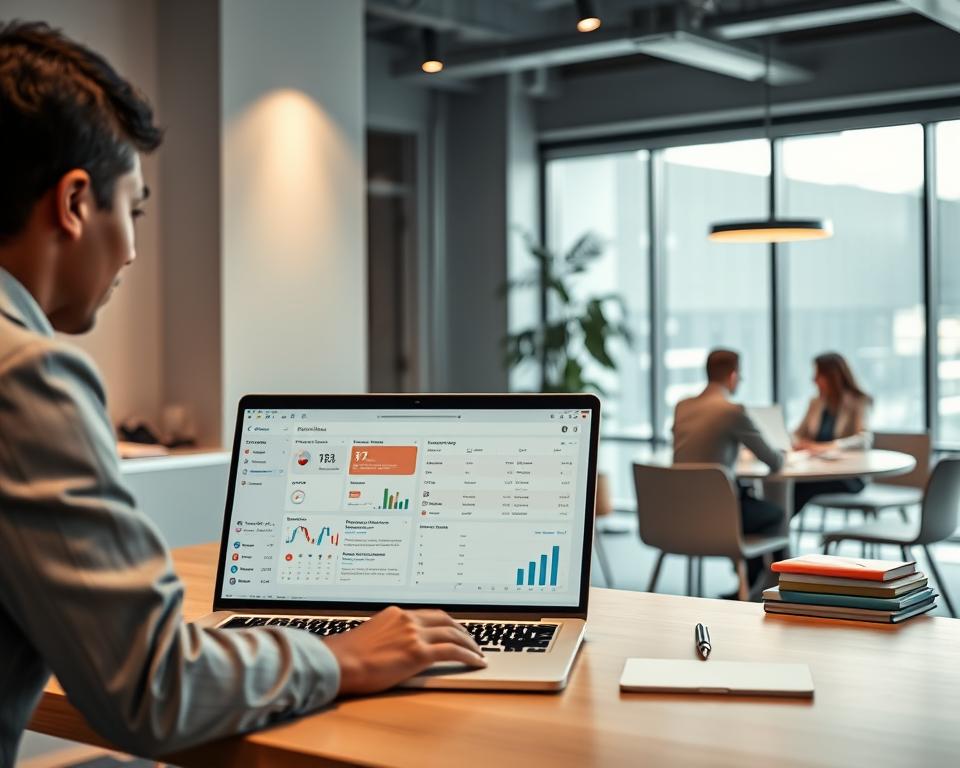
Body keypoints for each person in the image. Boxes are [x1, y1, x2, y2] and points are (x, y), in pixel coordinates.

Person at [0, 21, 484, 764]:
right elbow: (154, 686)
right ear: (72, 203)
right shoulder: (26, 374)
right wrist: (343, 656)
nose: (131, 250)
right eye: (134, 212)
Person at [672, 349, 788, 594]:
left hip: (680, 518)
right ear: (734, 376)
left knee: (746, 505)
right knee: (777, 515)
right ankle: (775, 586)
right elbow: (775, 461)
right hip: (720, 519)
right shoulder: (732, 411)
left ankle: (750, 582)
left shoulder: (682, 407)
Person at [792, 352, 873, 514]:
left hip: (848, 477)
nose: (813, 380)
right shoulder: (816, 403)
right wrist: (800, 443)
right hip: (816, 470)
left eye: (818, 375)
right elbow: (798, 433)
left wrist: (829, 447)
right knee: (792, 485)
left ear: (832, 377)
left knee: (798, 487)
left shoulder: (858, 402)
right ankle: (776, 531)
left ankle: (776, 531)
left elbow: (865, 439)